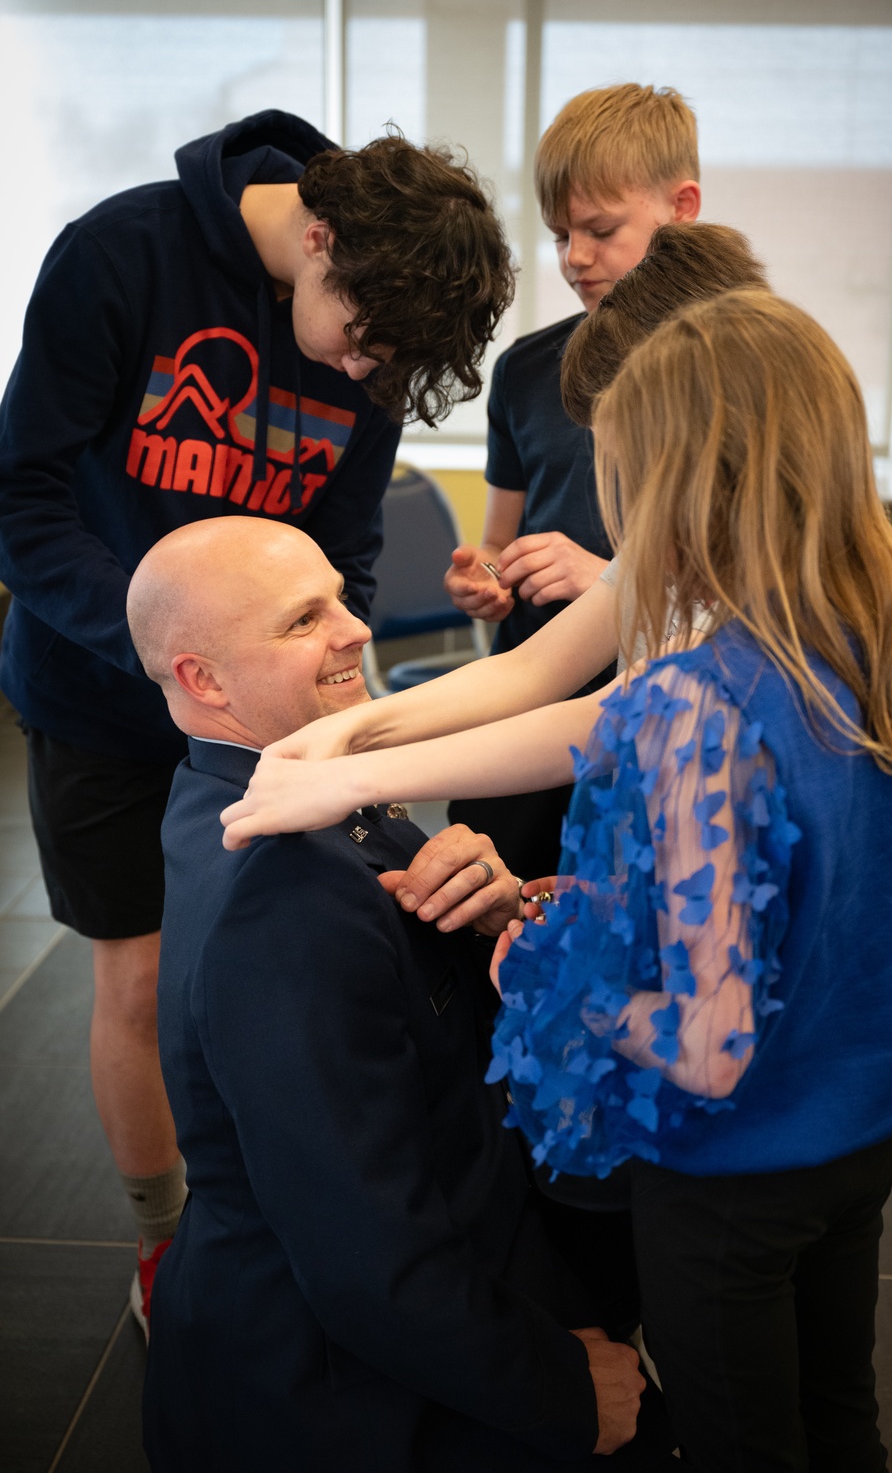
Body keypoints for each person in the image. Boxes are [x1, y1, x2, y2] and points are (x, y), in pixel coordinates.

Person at [223, 291, 892, 1470]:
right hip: (862, 1132)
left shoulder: (701, 700)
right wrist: (355, 755)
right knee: (839, 1410)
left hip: (733, 1170)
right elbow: (812, 885)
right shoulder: (889, 637)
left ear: (672, 481)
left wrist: (556, 972)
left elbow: (706, 1043)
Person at [0, 107, 515, 1333]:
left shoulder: (370, 335)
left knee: (292, 963)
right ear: (319, 237)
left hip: (265, 715)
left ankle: (297, 1214)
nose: (359, 376)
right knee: (140, 980)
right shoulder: (119, 255)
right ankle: (167, 1246)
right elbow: (19, 498)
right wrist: (160, 654)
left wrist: (333, 692)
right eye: (360, 349)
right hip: (98, 690)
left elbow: (340, 546)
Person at [125, 515, 651, 1472]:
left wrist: (488, 913)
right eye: (303, 620)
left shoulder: (246, 784)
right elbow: (365, 1255)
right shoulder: (282, 892)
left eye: (340, 594)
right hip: (339, 1396)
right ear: (202, 680)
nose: (358, 627)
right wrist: (562, 1390)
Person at [218, 224, 768, 860]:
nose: (625, 504)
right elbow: (531, 670)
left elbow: (605, 723)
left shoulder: (763, 591)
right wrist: (351, 730)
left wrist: (350, 772)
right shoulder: (675, 538)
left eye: (629, 466)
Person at [444, 84, 701, 877]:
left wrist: (609, 582)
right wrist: (489, 571)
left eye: (600, 230)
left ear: (682, 208)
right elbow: (498, 538)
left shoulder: (738, 375)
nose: (575, 259)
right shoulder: (525, 371)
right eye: (560, 236)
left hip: (662, 698)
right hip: (535, 686)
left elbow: (743, 596)